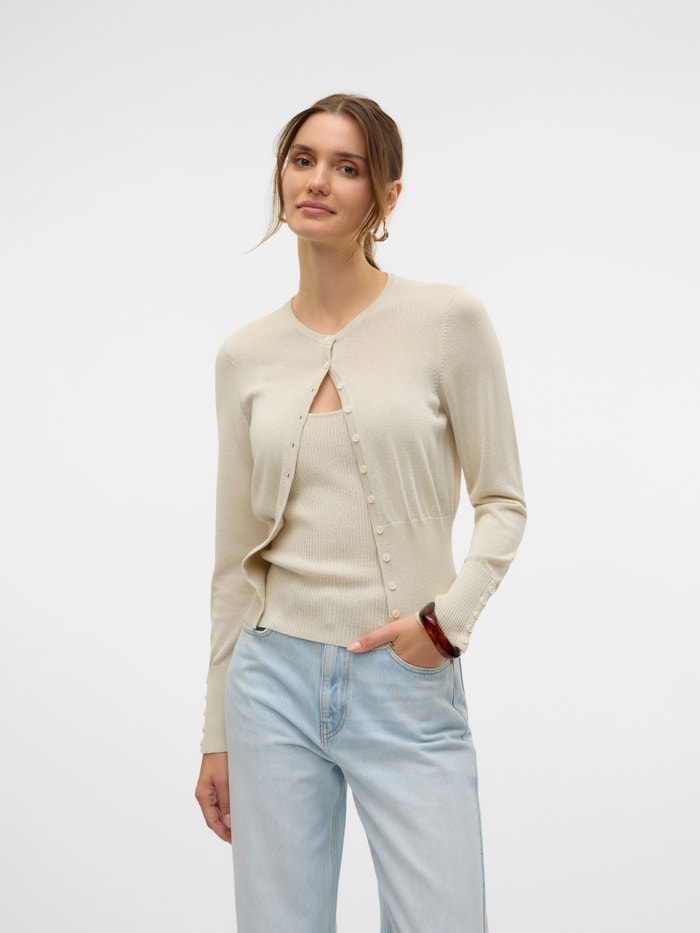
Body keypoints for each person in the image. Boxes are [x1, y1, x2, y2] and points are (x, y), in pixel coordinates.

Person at [195, 92, 526, 933]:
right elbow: (235, 558)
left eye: (348, 167)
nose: (318, 181)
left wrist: (443, 625)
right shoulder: (245, 354)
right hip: (269, 683)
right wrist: (215, 728)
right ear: (281, 174)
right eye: (302, 159)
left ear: (386, 195)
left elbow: (503, 501)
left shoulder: (447, 319)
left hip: (405, 682)